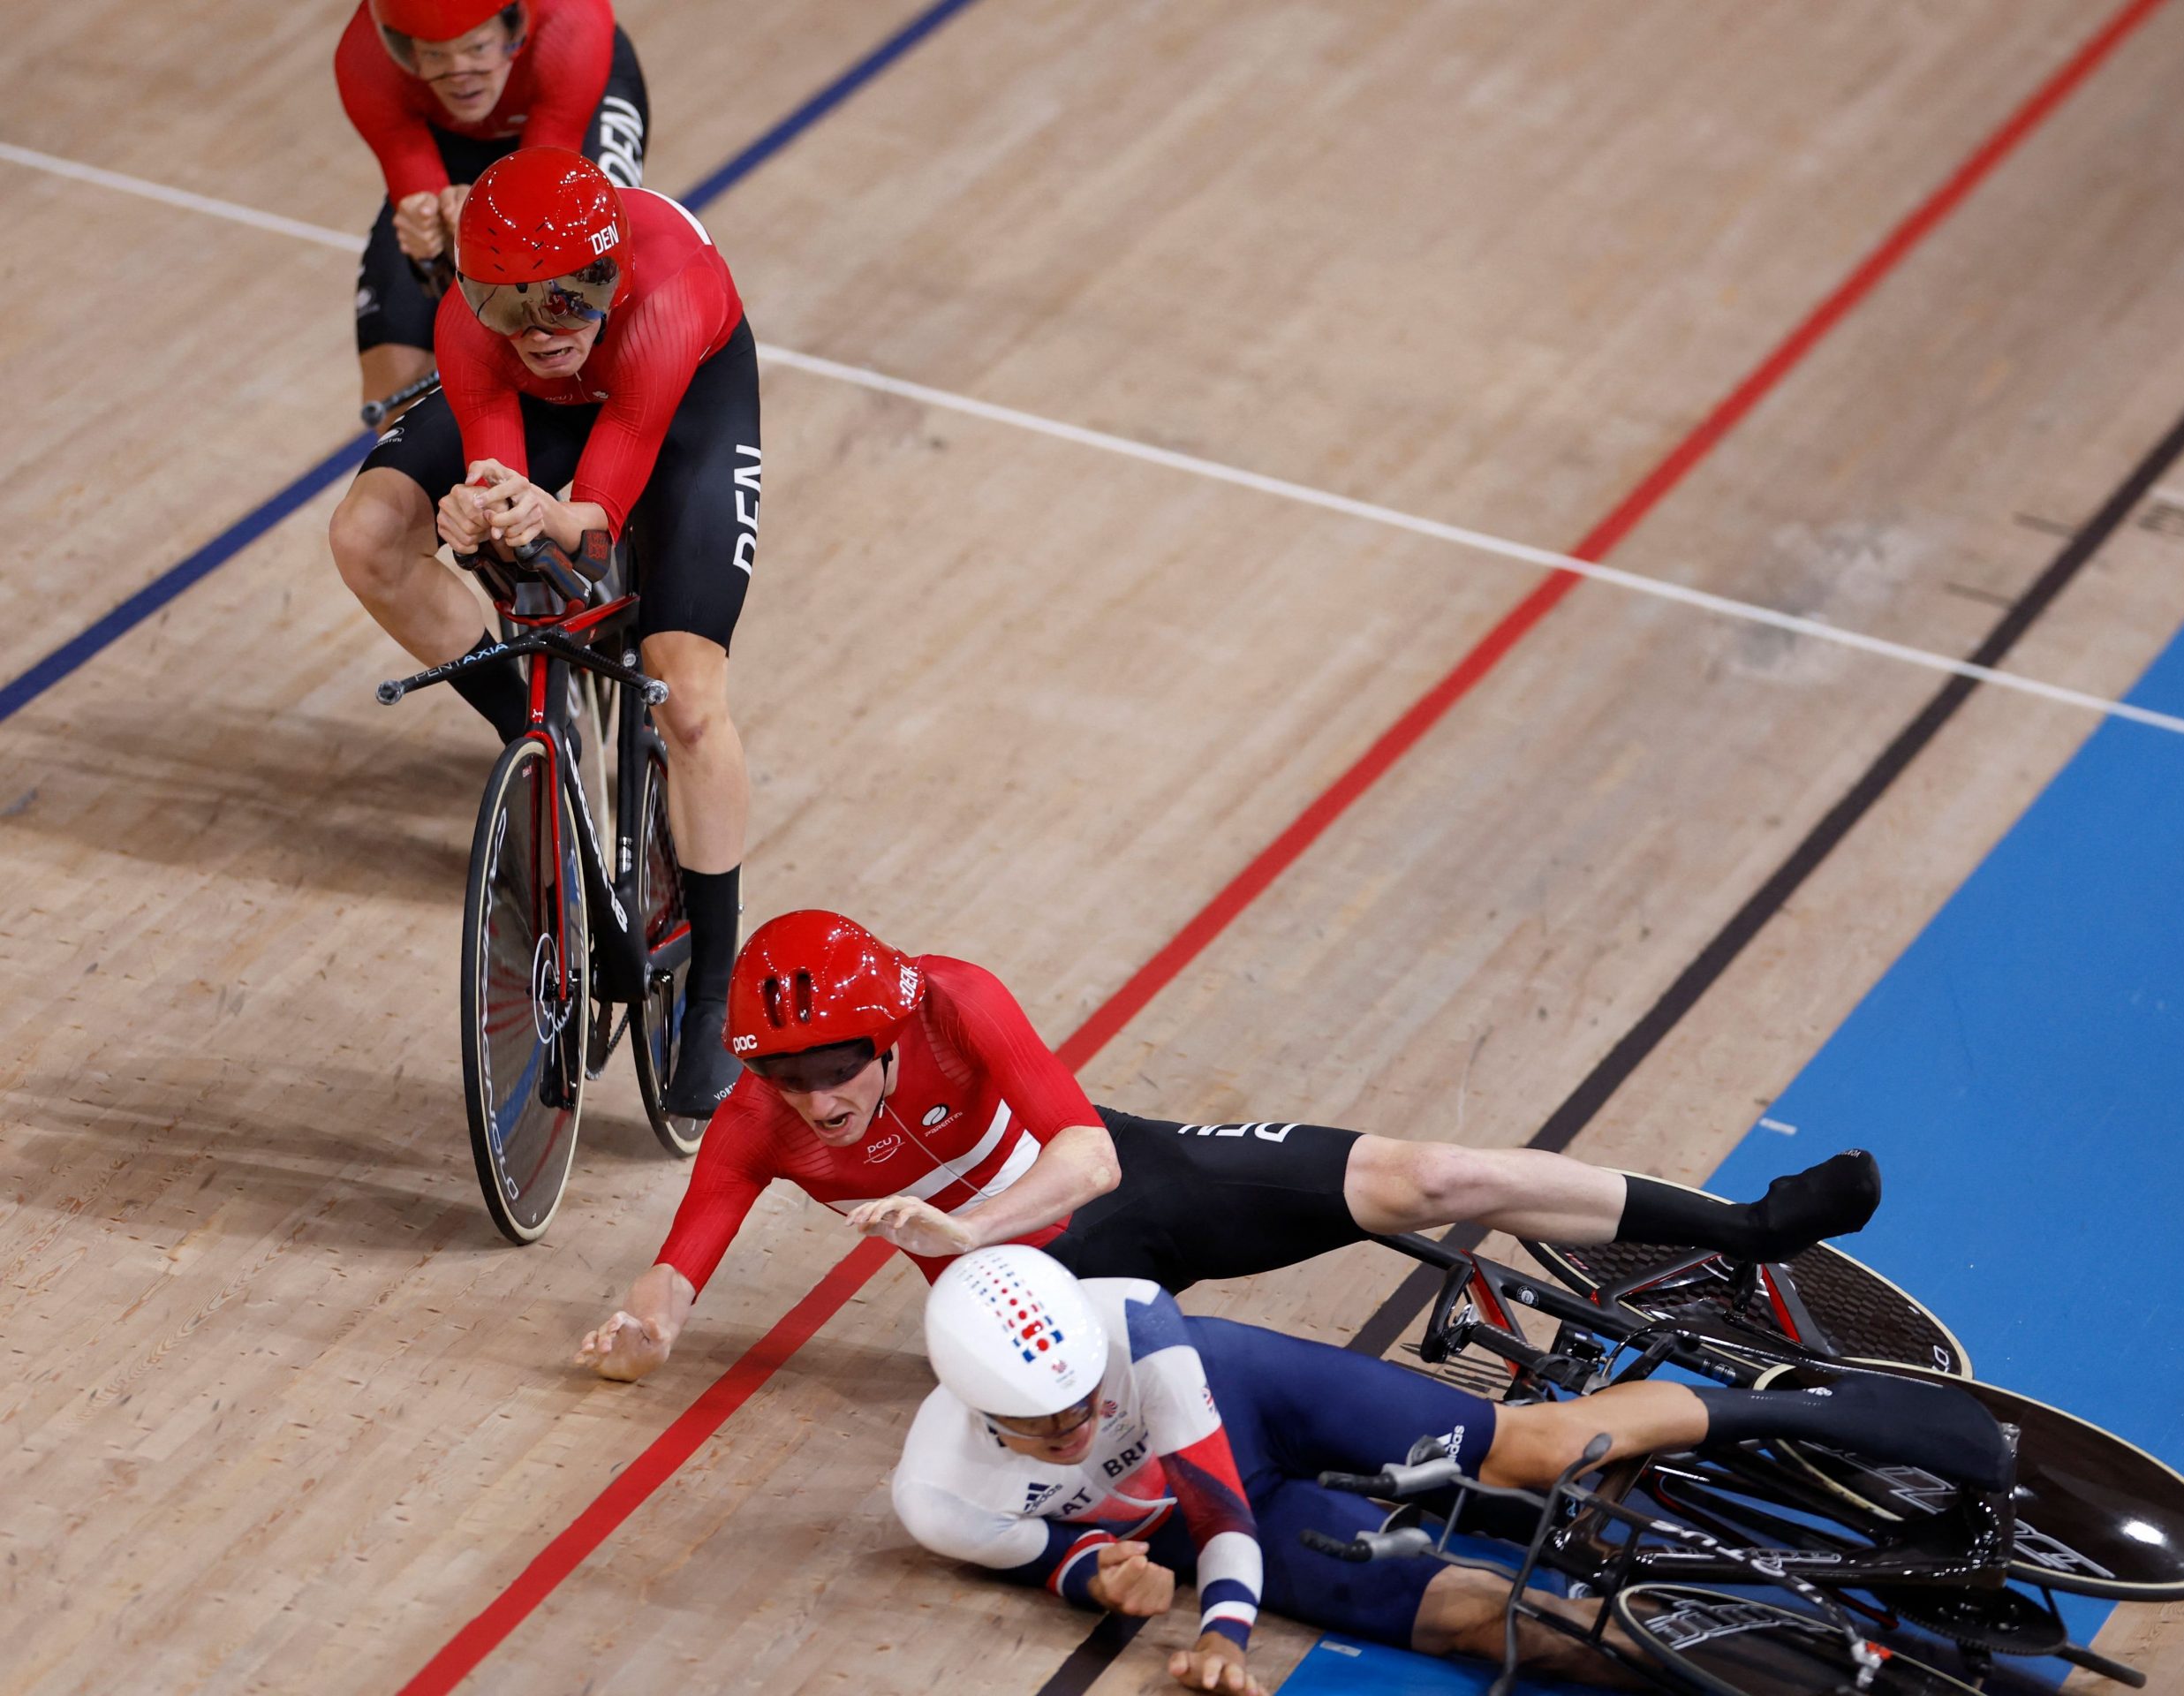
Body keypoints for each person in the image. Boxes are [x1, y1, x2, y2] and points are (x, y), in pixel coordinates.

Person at [574, 910, 1881, 1379]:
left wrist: (960, 1227)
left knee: (1428, 1179)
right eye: (785, 1073)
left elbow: (1086, 1161)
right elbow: (677, 1271)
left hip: (1129, 1184)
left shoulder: (953, 995)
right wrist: (641, 1331)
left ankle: (1750, 1226)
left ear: (888, 1031)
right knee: (1224, 1399)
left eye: (834, 1065)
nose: (814, 1095)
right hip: (1034, 1294)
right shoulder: (758, 1126)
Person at [893, 1247, 2014, 1695]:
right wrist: (1105, 1582)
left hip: (1244, 1412)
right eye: (1050, 1425)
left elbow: (1218, 1506)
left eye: (1093, 1394)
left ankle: (1801, 1407)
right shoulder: (940, 1499)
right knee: (1490, 1622)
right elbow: (1068, 1558)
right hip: (1222, 1513)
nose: (1087, 1420)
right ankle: (1757, 1672)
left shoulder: (1130, 1319)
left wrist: (1223, 1632)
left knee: (1533, 1446)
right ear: (981, 1412)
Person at [329, 148, 759, 1115]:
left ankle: (714, 996)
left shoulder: (665, 294)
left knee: (686, 697)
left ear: (609, 274)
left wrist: (553, 518)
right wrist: (482, 512)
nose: (541, 328)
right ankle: (535, 736)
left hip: (678, 404)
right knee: (368, 534)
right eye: (511, 304)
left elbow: (600, 504)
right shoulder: (476, 327)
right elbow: (496, 466)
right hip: (548, 412)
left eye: (569, 298)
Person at [336, 0, 650, 421]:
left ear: (514, 27)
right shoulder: (364, 57)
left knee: (575, 313)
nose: (459, 72)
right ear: (402, 48)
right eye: (434, 53)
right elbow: (437, 255)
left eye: (478, 47)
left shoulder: (572, 23)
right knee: (394, 397)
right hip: (454, 142)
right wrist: (431, 244)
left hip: (566, 122)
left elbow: (543, 218)